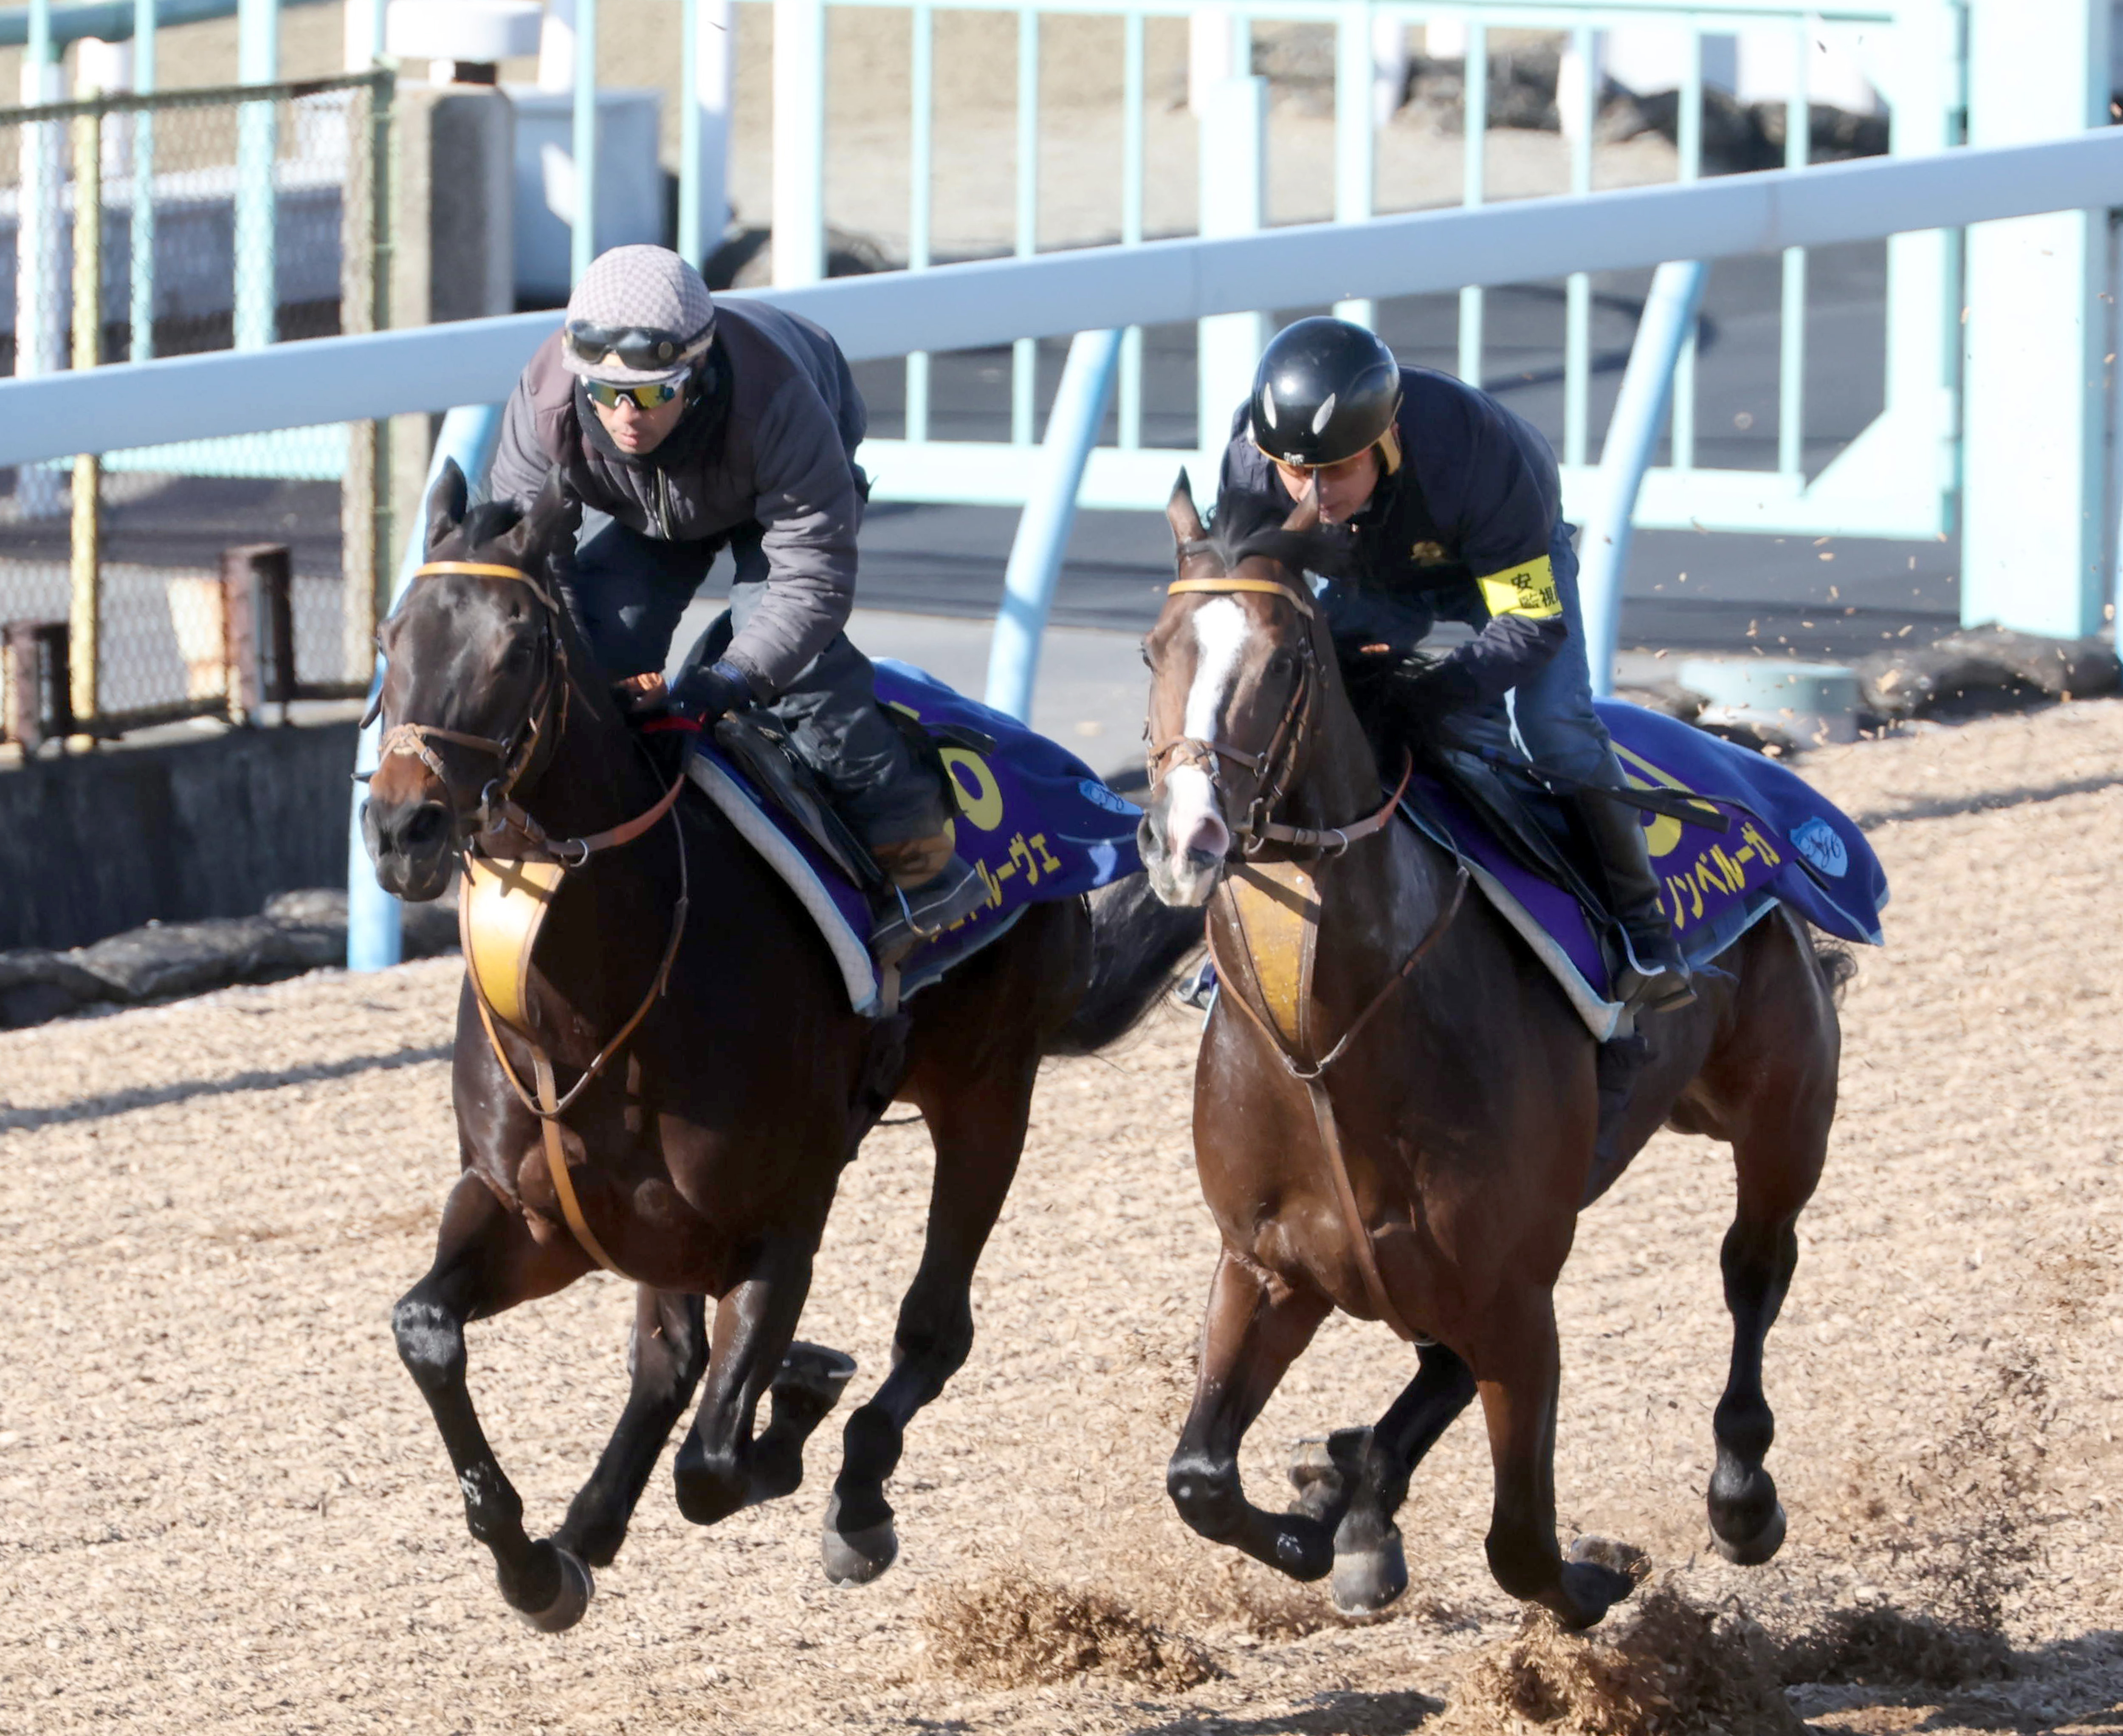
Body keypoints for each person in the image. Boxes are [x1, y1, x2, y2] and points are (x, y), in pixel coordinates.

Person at [486, 244, 985, 959]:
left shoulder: (779, 398)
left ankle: (921, 864)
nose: (628, 416)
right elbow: (530, 562)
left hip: (771, 487)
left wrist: (727, 682)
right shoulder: (545, 401)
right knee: (591, 652)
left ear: (696, 368)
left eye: (655, 393)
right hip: (640, 509)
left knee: (791, 668)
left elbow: (811, 582)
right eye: (605, 392)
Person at [1218, 315, 1692, 1016]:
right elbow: (1242, 609)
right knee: (1299, 709)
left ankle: (1644, 927)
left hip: (1497, 568)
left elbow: (1529, 624)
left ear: (1389, 440)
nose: (1315, 498)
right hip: (1376, 580)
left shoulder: (1476, 454)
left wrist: (1437, 692)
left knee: (1549, 728)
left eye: (1339, 469)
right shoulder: (1252, 466)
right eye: (1297, 473)